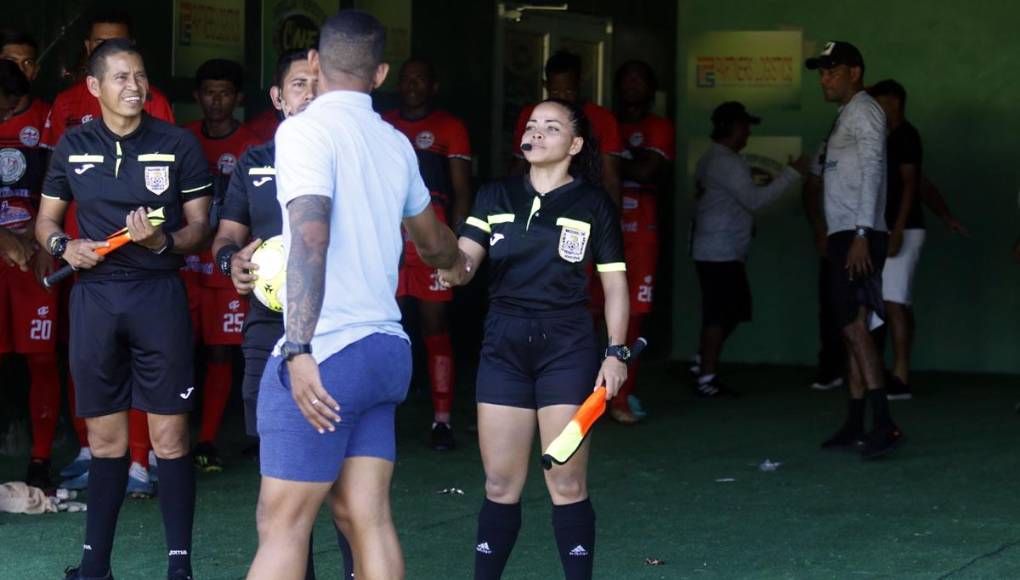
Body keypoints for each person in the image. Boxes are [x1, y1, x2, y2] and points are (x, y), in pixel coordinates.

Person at [246, 12, 462, 580]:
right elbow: (435, 242)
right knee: (365, 515)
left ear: (314, 64)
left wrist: (297, 348)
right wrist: (459, 265)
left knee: (282, 524)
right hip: (385, 351)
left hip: (330, 351)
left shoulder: (302, 130)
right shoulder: (396, 144)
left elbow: (310, 238)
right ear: (381, 72)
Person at [35, 38, 212, 580]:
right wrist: (67, 248)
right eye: (120, 77)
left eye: (139, 75)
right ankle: (96, 568)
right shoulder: (72, 145)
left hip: (158, 297)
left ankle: (179, 569)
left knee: (169, 438)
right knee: (106, 440)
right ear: (94, 87)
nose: (133, 86)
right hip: (95, 300)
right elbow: (45, 225)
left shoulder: (178, 143)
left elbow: (201, 229)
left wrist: (163, 243)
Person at [439, 98, 628, 580]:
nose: (538, 132)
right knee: (500, 483)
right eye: (532, 125)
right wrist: (446, 267)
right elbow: (464, 262)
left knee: (566, 481)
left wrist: (616, 353)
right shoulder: (494, 194)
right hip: (503, 344)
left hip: (567, 346)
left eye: (552, 126)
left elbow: (614, 286)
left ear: (576, 143)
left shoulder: (593, 203)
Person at [213, 48, 356, 580]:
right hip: (269, 329)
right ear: (278, 97)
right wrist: (233, 261)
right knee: (282, 482)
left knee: (345, 483)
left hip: (340, 328)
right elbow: (226, 235)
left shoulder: (353, 156)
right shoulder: (254, 161)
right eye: (300, 84)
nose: (311, 94)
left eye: (320, 84)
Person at [47, 9, 177, 497]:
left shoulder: (156, 105)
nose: (131, 83)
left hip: (144, 263)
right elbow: (53, 195)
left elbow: (170, 193)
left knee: (145, 372)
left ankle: (141, 461)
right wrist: (60, 244)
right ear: (89, 58)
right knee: (91, 366)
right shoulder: (65, 106)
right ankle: (94, 451)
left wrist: (155, 236)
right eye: (104, 47)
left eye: (131, 61)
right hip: (86, 264)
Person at [805, 41, 904, 459]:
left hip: (858, 234)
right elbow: (832, 170)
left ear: (855, 73)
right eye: (822, 72)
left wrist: (862, 231)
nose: (825, 79)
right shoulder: (844, 115)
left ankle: (883, 421)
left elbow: (875, 170)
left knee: (851, 325)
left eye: (833, 71)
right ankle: (855, 419)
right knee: (853, 324)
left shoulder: (865, 110)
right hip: (849, 232)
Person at [383, 58, 473, 449]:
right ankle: (382, 419)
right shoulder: (382, 123)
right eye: (407, 79)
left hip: (430, 242)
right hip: (386, 241)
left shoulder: (450, 127)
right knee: (386, 329)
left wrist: (455, 245)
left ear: (433, 86)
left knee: (434, 327)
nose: (413, 85)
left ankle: (441, 420)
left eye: (421, 78)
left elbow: (461, 191)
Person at [691, 102, 805, 397]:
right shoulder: (726, 161)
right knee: (720, 314)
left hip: (718, 249)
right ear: (730, 127)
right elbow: (755, 200)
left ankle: (703, 361)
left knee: (730, 311)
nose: (748, 132)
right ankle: (706, 377)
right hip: (719, 252)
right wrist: (792, 173)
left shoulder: (713, 158)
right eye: (744, 126)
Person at [183, 58, 261, 471]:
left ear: (239, 98)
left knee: (220, 354)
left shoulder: (251, 144)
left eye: (225, 92)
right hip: (182, 262)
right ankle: (170, 444)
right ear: (197, 96)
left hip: (223, 267)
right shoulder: (183, 138)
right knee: (177, 351)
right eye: (209, 92)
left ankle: (207, 440)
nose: (216, 100)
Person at [0, 55, 59, 489]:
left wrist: (43, 242)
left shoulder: (46, 120)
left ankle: (40, 458)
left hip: (35, 256)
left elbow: (62, 189)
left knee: (41, 357)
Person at [609, 60, 674, 422]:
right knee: (590, 312)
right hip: (603, 227)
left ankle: (621, 395)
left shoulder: (659, 126)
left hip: (641, 232)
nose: (633, 85)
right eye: (627, 78)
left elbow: (648, 170)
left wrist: (613, 158)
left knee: (632, 318)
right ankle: (589, 395)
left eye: (640, 79)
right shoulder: (605, 121)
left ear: (651, 89)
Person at [867, 79, 923, 400]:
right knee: (897, 300)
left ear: (895, 103)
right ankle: (898, 371)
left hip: (903, 229)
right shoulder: (889, 137)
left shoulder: (905, 137)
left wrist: (898, 229)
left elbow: (912, 183)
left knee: (893, 302)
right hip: (892, 228)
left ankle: (900, 378)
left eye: (881, 103)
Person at [511, 50, 622, 205]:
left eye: (569, 91)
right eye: (555, 91)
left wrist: (613, 223)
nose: (562, 97)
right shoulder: (531, 115)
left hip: (586, 202)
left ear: (580, 84)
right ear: (545, 85)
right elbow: (520, 166)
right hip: (538, 200)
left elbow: (611, 180)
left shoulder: (602, 118)